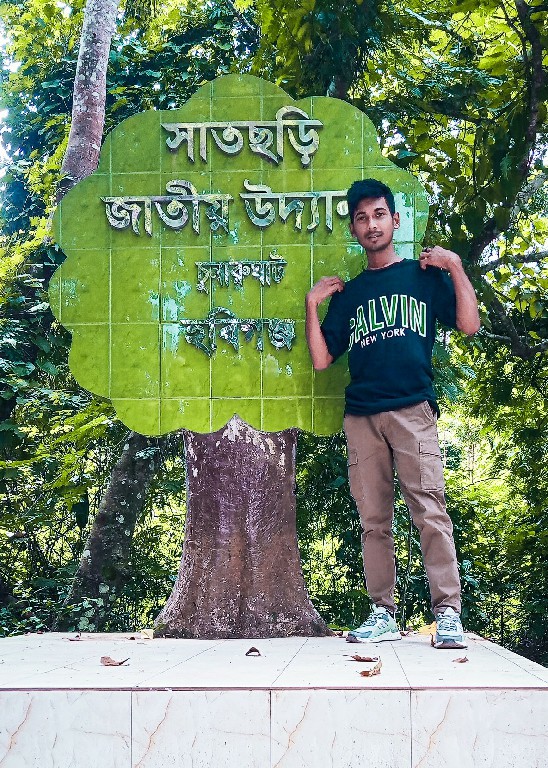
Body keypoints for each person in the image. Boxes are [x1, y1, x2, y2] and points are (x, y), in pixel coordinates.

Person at [305, 178, 480, 648]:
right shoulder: (352, 294)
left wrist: (456, 267)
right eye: (362, 218)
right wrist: (311, 305)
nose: (371, 224)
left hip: (412, 411)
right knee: (373, 521)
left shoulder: (423, 278)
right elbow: (323, 359)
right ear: (354, 229)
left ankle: (447, 614)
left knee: (430, 511)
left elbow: (469, 325)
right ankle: (383, 613)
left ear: (395, 220)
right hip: (363, 416)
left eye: (379, 214)